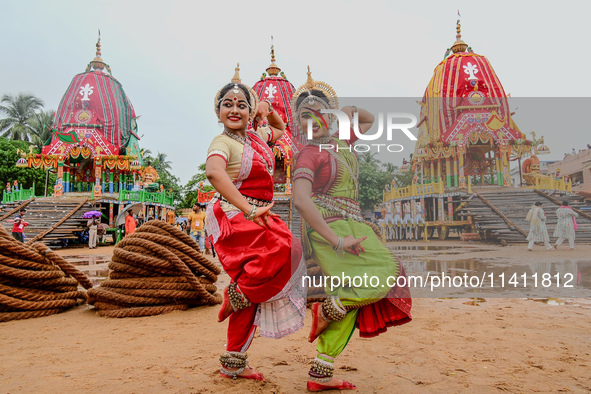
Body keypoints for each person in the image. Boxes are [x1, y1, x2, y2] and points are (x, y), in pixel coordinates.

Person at [291, 69, 412, 391]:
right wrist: (337, 241)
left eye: (321, 112)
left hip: (354, 225)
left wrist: (347, 110)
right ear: (298, 124)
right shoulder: (308, 152)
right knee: (388, 271)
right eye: (305, 115)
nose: (314, 119)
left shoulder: (342, 142)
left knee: (365, 291)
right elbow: (301, 200)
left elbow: (368, 119)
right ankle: (330, 308)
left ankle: (321, 371)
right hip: (329, 229)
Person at [205, 79, 306, 381]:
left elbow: (282, 127)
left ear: (250, 113)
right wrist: (247, 209)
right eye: (227, 104)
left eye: (241, 105)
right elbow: (214, 172)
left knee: (257, 287)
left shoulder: (257, 137)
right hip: (235, 214)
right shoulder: (223, 143)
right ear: (218, 111)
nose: (234, 109)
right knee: (289, 250)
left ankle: (232, 363)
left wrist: (269, 108)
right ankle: (239, 292)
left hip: (259, 214)